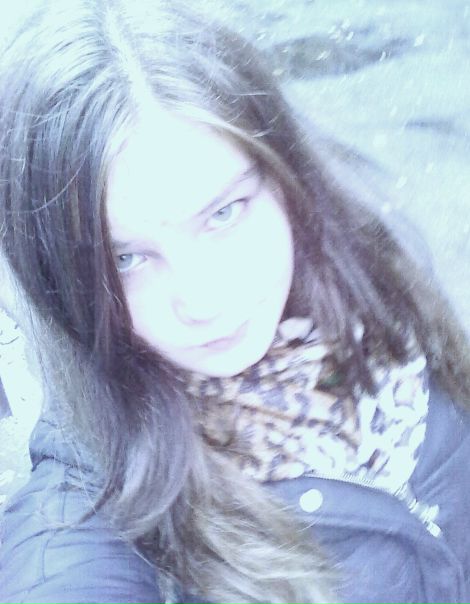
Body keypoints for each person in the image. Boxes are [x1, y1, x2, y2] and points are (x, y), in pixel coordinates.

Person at [1, 1, 470, 603]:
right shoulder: (83, 526)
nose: (204, 300)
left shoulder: (371, 278)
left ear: (285, 177)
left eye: (224, 213)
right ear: (63, 281)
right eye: (126, 258)